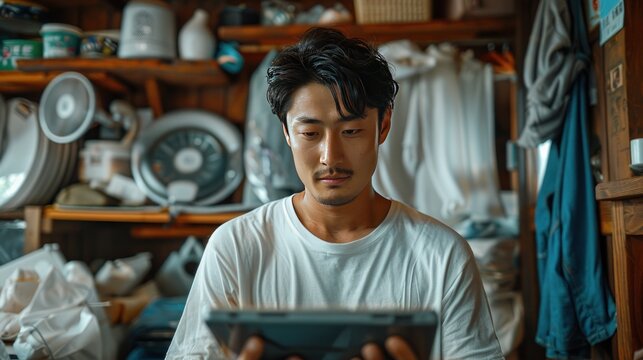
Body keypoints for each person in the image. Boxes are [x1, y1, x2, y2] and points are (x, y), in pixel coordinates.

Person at [166, 27, 503, 360]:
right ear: (286, 132)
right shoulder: (236, 247)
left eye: (352, 130)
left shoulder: (442, 256)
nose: (331, 156)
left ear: (383, 125)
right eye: (310, 133)